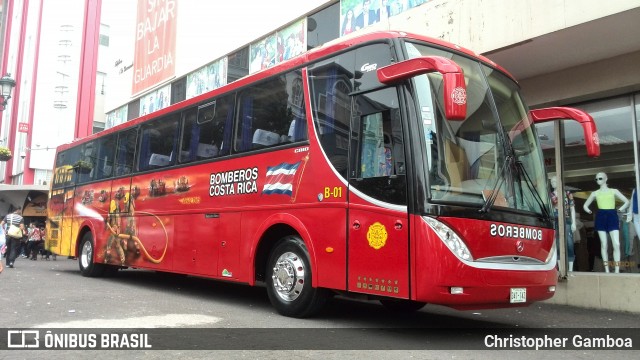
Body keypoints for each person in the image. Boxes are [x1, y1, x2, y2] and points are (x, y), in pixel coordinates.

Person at [583, 172, 629, 273]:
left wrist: (620, 210)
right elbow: (585, 206)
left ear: (606, 179)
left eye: (600, 178)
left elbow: (626, 201)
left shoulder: (613, 191)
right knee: (604, 244)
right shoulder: (595, 193)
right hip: (601, 216)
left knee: (616, 244)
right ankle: (607, 269)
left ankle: (617, 269)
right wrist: (589, 211)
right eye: (596, 179)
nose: (598, 180)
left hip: (612, 215)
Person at [549, 175, 576, 271]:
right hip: (556, 219)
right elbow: (551, 209)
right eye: (551, 181)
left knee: (569, 243)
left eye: (554, 181)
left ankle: (570, 268)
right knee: (558, 243)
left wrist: (574, 222)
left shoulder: (567, 193)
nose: (552, 183)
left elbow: (572, 208)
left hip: (567, 219)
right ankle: (560, 268)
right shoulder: (551, 195)